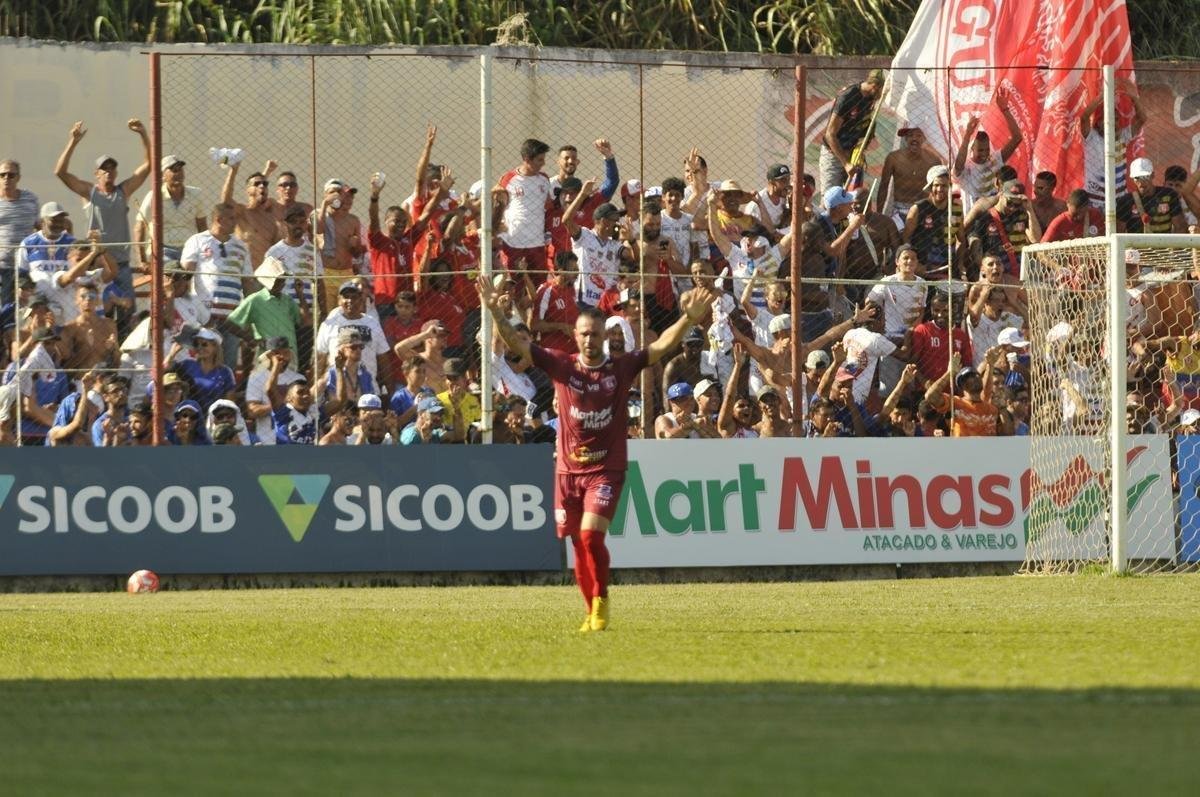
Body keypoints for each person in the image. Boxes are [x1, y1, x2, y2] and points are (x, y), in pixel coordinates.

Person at [478, 272, 715, 632]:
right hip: (567, 472)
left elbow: (663, 345)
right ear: (576, 337)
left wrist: (688, 319)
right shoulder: (561, 364)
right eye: (584, 334)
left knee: (591, 537)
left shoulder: (620, 368)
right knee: (578, 549)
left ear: (605, 338)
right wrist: (495, 313)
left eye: (596, 334)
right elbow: (518, 345)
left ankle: (601, 601)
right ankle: (590, 611)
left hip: (606, 469)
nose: (590, 340)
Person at [54, 118, 151, 309]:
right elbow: (61, 172)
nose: (109, 172)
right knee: (97, 306)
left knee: (127, 308)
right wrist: (73, 142)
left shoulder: (123, 192)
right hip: (98, 266)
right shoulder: (89, 193)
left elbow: (149, 165)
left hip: (121, 263)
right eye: (104, 169)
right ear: (96, 173)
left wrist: (143, 134)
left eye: (112, 168)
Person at [182, 203, 254, 370]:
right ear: (218, 219)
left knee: (227, 364)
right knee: (203, 362)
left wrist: (248, 315)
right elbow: (186, 275)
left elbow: (248, 283)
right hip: (206, 315)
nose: (236, 222)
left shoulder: (241, 246)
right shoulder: (197, 241)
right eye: (232, 218)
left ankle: (225, 394)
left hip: (233, 316)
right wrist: (191, 309)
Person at [134, 154, 206, 269]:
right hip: (163, 250)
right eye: (173, 170)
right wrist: (142, 260)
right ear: (163, 175)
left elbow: (202, 226)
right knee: (172, 274)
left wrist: (204, 251)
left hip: (189, 247)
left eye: (180, 170)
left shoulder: (195, 195)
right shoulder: (154, 196)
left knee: (196, 273)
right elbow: (139, 227)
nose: (178, 173)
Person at [819, 69, 885, 194]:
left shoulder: (871, 99)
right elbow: (830, 134)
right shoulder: (848, 97)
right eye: (883, 91)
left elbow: (865, 126)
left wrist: (859, 150)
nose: (883, 95)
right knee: (831, 198)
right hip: (834, 155)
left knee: (850, 198)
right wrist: (846, 164)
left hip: (852, 155)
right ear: (875, 86)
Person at [952, 96, 1023, 209]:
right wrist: (967, 136)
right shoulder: (966, 169)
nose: (984, 154)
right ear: (972, 149)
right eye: (980, 150)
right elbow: (958, 165)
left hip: (996, 215)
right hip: (974, 218)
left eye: (986, 149)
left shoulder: (995, 159)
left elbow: (1017, 138)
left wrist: (1005, 110)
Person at [497, 138, 553, 280]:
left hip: (537, 243)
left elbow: (548, 204)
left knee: (538, 286)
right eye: (540, 160)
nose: (543, 163)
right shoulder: (508, 178)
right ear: (527, 159)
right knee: (513, 285)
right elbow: (496, 203)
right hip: (513, 242)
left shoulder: (544, 179)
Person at [876, 126, 943, 226]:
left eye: (918, 135)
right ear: (906, 138)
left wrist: (938, 210)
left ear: (924, 138)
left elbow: (940, 187)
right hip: (899, 209)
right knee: (896, 236)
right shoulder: (893, 158)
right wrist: (879, 215)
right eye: (910, 135)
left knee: (925, 238)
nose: (914, 139)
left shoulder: (934, 160)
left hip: (924, 208)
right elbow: (883, 186)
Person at [0, 159, 39, 303]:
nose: (6, 178)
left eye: (11, 175)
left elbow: (39, 227)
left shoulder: (30, 198)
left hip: (26, 265)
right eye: (2, 175)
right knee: (6, 309)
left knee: (27, 307)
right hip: (3, 266)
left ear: (18, 178)